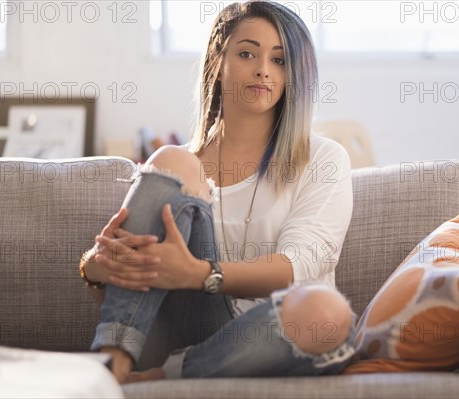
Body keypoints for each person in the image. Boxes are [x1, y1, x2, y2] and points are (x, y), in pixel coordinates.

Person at [81, 0, 355, 384]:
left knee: (326, 312)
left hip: (267, 336)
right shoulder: (180, 168)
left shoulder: (324, 158)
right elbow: (134, 278)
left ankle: (169, 373)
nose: (263, 69)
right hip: (182, 326)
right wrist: (97, 267)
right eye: (247, 53)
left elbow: (297, 267)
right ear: (217, 62)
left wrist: (200, 274)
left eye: (279, 60)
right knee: (172, 158)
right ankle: (113, 362)